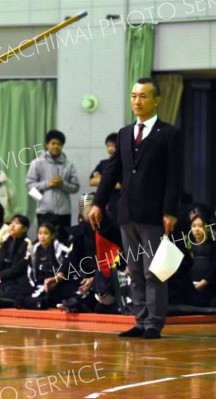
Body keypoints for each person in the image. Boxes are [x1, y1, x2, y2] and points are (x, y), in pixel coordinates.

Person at [89, 77, 183, 339]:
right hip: (126, 213)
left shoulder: (169, 134)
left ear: (156, 100)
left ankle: (154, 322)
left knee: (154, 271)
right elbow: (112, 171)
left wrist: (170, 211)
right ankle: (140, 321)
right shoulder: (124, 133)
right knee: (134, 271)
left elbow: (175, 176)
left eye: (143, 96)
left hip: (154, 215)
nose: (137, 101)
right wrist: (98, 202)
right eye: (133, 96)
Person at [26, 130, 80, 243]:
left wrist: (62, 184)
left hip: (64, 212)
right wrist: (47, 185)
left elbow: (75, 187)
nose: (56, 146)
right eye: (53, 143)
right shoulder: (37, 163)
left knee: (63, 242)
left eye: (59, 144)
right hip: (44, 212)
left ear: (62, 146)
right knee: (45, 243)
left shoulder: (68, 164)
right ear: (47, 145)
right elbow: (29, 187)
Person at [89, 133, 121, 220]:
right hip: (103, 200)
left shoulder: (123, 164)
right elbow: (91, 181)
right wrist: (109, 181)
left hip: (118, 202)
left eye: (113, 146)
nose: (110, 149)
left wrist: (101, 178)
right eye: (108, 146)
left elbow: (121, 185)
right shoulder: (103, 163)